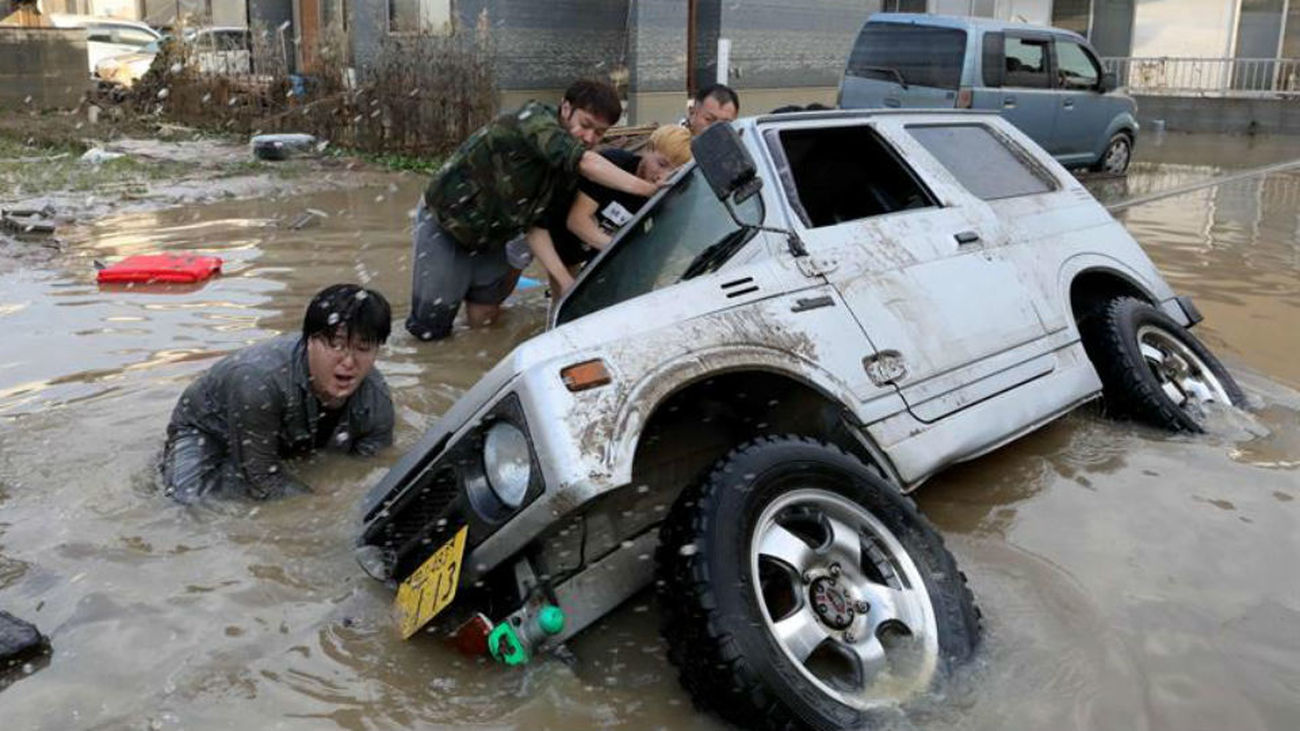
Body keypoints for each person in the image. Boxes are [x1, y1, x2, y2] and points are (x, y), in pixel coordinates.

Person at [407, 79, 659, 341]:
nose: (589, 138)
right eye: (585, 125)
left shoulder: (566, 171)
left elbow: (536, 227)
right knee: (430, 330)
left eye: (599, 133)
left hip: (495, 233)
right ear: (566, 108)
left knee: (485, 318)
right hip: (447, 222)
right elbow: (585, 162)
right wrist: (649, 190)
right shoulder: (534, 121)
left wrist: (566, 283)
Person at [162, 284, 395, 504]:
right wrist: (322, 507)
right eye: (336, 345)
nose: (349, 362)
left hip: (290, 434)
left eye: (363, 348)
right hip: (210, 430)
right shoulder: (258, 380)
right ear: (309, 341)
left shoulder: (376, 398)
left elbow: (372, 467)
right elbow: (262, 480)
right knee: (186, 501)